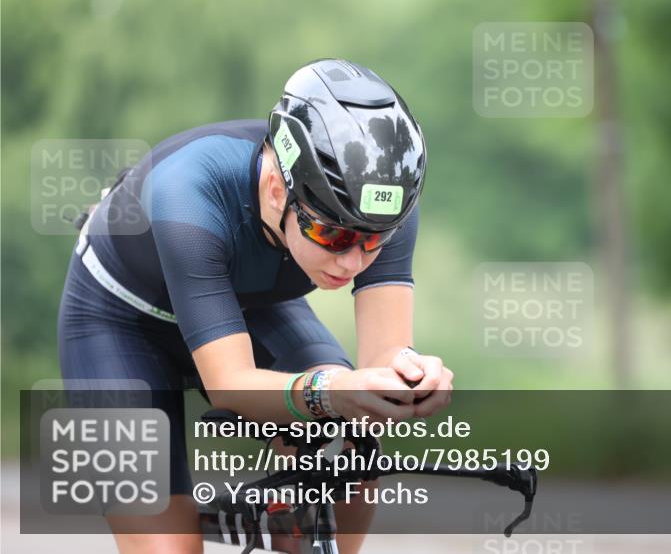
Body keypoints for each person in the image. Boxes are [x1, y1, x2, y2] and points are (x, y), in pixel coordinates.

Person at [57, 59, 453, 554]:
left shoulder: (382, 204)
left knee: (350, 442)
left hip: (243, 306)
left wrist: (406, 383)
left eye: (375, 240)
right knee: (168, 549)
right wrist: (332, 388)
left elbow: (380, 366)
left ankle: (295, 529)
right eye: (331, 233)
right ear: (275, 190)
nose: (353, 260)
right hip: (117, 319)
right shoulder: (188, 192)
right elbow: (231, 384)